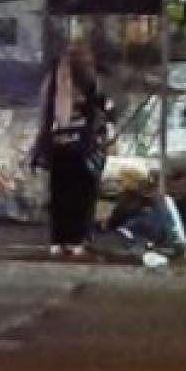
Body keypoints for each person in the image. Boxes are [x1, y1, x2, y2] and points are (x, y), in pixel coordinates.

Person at [31, 42, 110, 255]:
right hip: (69, 142)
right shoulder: (62, 81)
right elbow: (46, 113)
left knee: (73, 193)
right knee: (70, 193)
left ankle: (69, 238)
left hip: (75, 142)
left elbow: (101, 110)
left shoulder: (87, 81)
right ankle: (68, 238)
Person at [90, 168, 186, 266]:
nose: (122, 196)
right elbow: (112, 222)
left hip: (148, 244)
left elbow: (116, 231)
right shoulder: (151, 204)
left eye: (127, 193)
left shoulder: (148, 215)